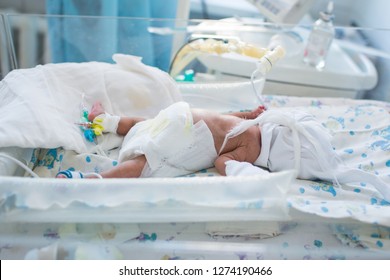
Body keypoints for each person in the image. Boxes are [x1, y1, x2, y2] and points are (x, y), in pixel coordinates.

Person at [56, 101, 266, 179]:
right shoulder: (252, 128)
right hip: (175, 122)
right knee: (140, 124)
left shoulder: (251, 150)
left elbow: (226, 163)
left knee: (143, 163)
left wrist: (245, 173)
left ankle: (93, 179)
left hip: (186, 139)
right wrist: (249, 114)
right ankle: (104, 121)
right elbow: (230, 117)